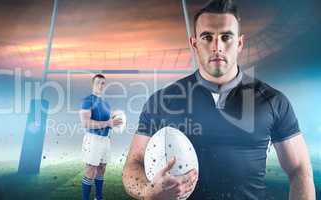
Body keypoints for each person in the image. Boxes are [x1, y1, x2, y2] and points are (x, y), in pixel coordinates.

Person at [122, 0, 316, 199]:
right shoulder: (163, 101)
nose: (217, 47)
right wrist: (147, 191)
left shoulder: (273, 101)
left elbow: (300, 169)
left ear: (239, 43)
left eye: (226, 37)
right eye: (207, 37)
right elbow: (133, 164)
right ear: (194, 43)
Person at [80, 74, 122, 200]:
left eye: (103, 83)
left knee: (102, 168)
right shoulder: (88, 100)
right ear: (93, 84)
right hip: (93, 139)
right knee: (91, 170)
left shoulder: (106, 104)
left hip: (105, 140)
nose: (100, 85)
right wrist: (108, 123)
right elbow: (86, 123)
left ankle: (98, 197)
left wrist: (115, 122)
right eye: (98, 82)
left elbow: (108, 123)